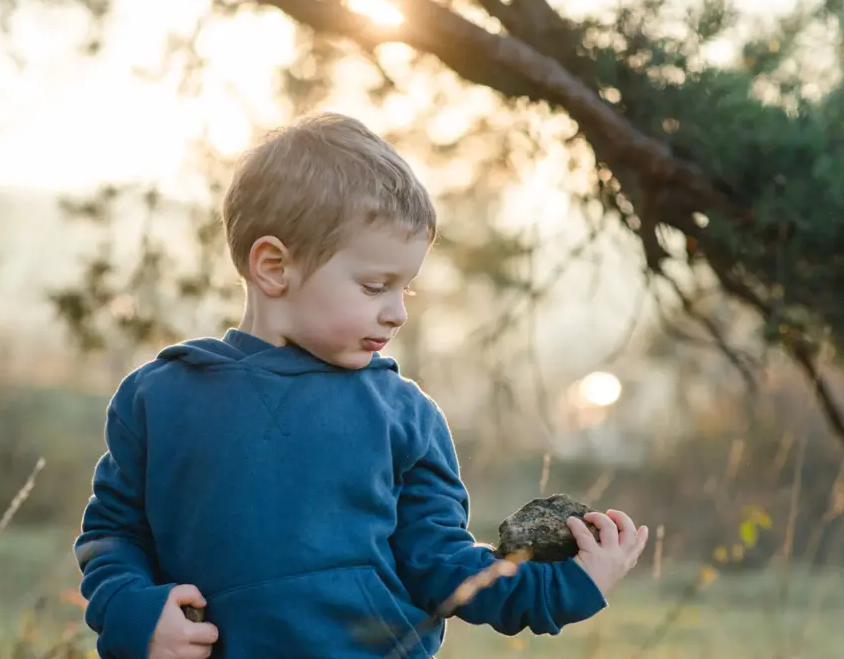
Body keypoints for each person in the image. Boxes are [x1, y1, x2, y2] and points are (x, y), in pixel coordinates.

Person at [73, 111, 649, 659]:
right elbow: (113, 537)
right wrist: (134, 615)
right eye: (376, 286)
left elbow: (444, 567)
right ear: (274, 267)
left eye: (407, 289)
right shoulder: (162, 398)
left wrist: (570, 585)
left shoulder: (404, 415)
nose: (398, 312)